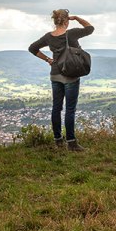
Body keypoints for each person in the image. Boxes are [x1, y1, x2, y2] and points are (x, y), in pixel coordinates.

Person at [28, 9, 94, 151]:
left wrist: (47, 59)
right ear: (66, 21)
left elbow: (32, 48)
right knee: (70, 110)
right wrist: (76, 18)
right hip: (70, 75)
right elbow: (90, 28)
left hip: (55, 74)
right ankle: (71, 143)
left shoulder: (48, 37)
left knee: (56, 108)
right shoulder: (72, 34)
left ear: (54, 21)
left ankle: (58, 140)